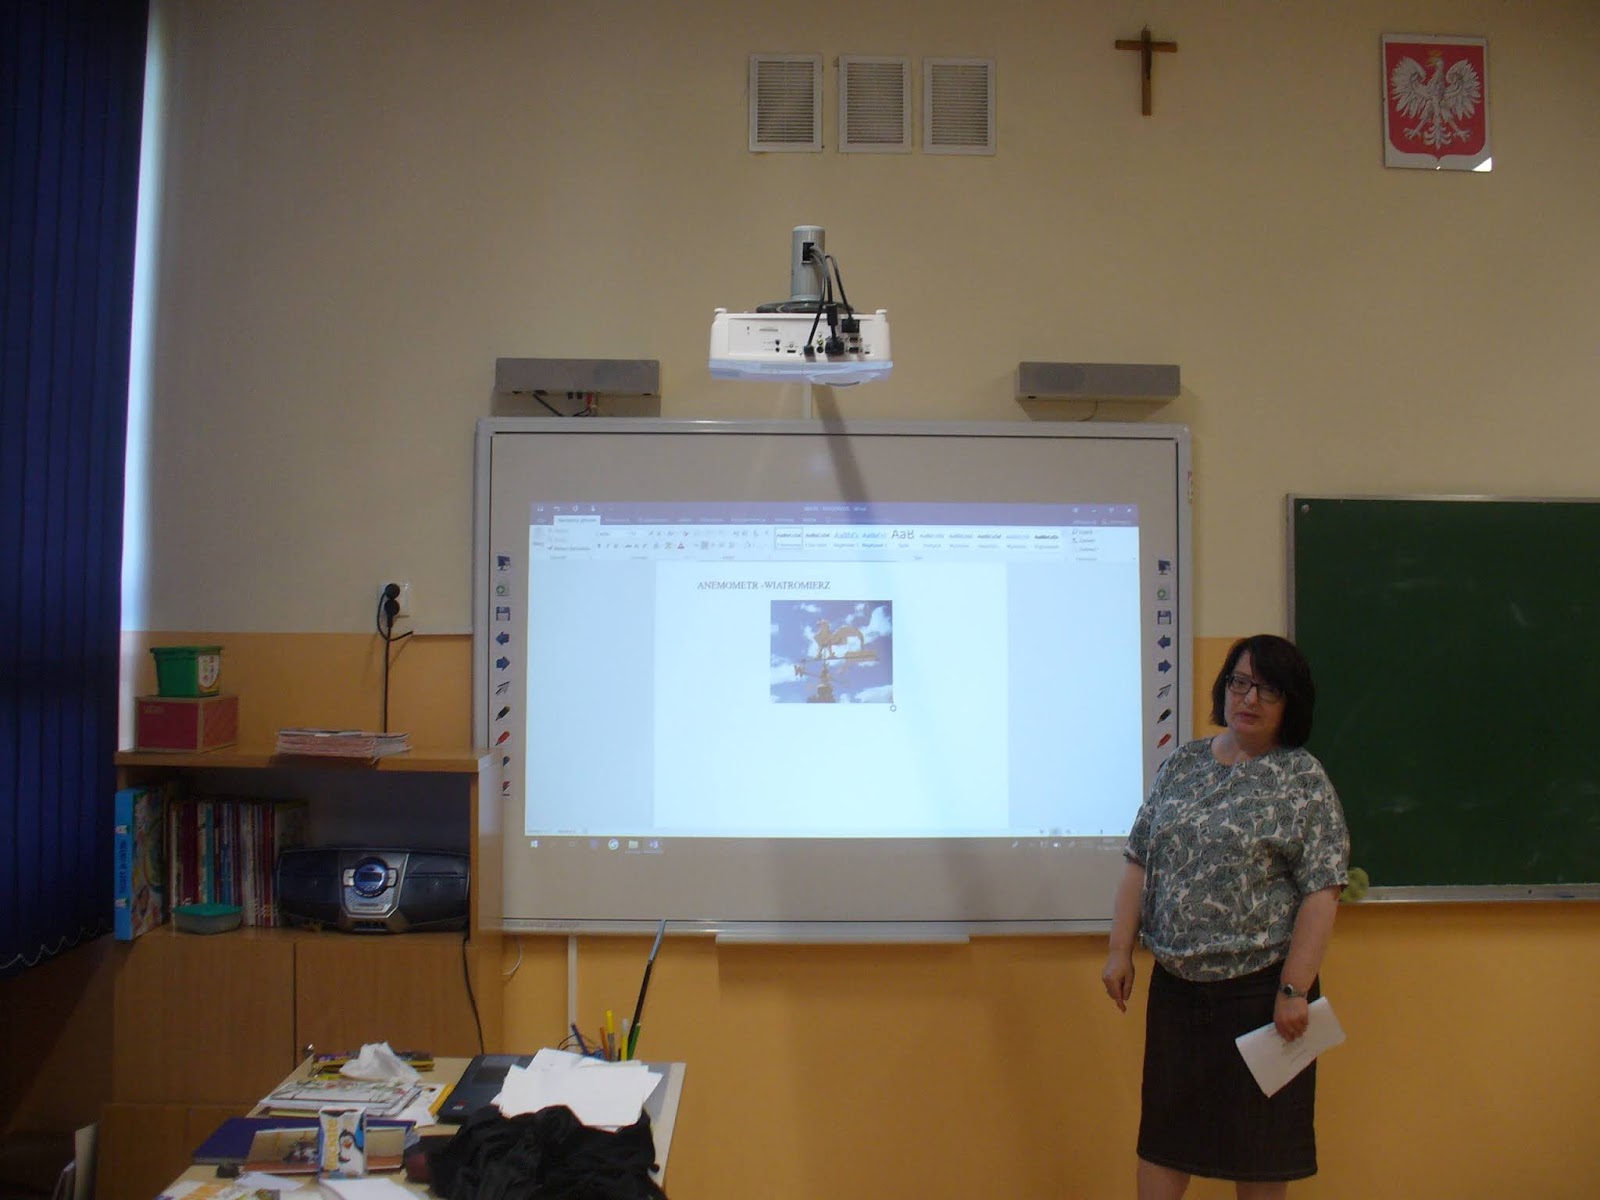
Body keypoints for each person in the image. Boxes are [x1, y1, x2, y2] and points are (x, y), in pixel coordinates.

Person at [1101, 634, 1349, 1200]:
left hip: (1261, 995)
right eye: (1240, 682)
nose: (1249, 698)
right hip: (1178, 990)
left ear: (1291, 702)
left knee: (1260, 1155)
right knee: (1165, 1143)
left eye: (1268, 689)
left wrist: (1294, 989)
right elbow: (1139, 859)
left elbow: (1322, 892)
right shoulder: (1184, 764)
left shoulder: (1303, 780)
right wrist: (1119, 950)